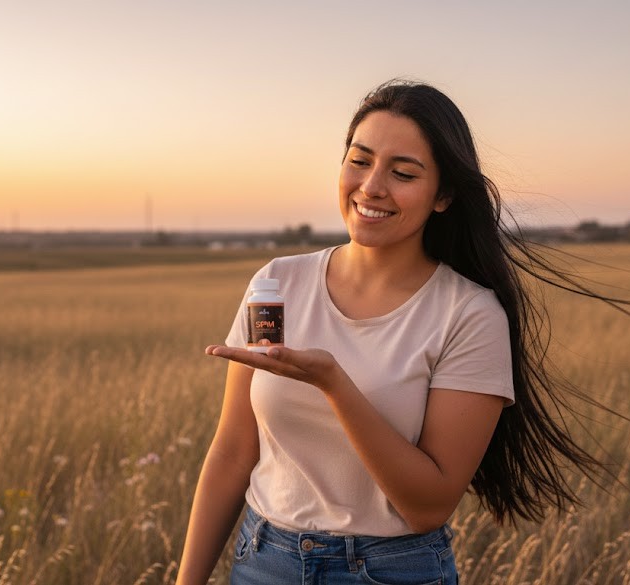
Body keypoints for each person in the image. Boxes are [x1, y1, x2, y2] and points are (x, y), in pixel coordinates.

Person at [175, 80, 605, 585]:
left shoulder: (468, 314)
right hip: (264, 560)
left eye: (402, 173)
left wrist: (334, 384)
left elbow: (428, 506)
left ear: (443, 195)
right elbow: (232, 450)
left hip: (391, 571)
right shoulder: (277, 283)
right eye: (359, 161)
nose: (372, 186)